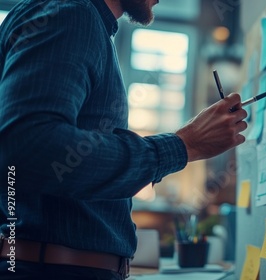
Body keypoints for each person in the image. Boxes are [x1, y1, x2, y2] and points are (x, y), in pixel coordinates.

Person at [0, 0, 247, 279]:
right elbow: (32, 147)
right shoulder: (71, 13)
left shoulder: (75, 18)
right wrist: (182, 145)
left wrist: (182, 146)